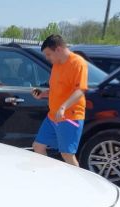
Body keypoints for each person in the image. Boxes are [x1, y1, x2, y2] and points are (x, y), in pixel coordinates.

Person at [32, 34, 88, 167]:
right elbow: (57, 89)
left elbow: (80, 90)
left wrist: (63, 107)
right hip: (53, 116)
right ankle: (47, 176)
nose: (47, 58)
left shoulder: (78, 63)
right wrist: (43, 94)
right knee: (38, 146)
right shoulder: (56, 65)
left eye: (48, 54)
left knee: (67, 154)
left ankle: (79, 184)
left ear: (58, 49)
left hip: (70, 117)